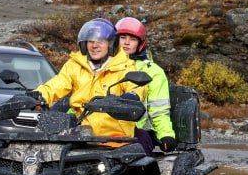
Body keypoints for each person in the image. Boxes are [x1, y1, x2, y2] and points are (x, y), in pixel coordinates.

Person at [31, 18, 145, 142]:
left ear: (111, 44)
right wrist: (38, 95)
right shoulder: (75, 64)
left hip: (114, 137)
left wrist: (130, 98)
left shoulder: (125, 66)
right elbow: (58, 83)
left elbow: (136, 88)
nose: (94, 45)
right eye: (90, 41)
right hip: (80, 134)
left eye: (100, 41)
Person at [115, 17, 177, 154]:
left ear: (140, 43)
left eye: (132, 39)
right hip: (103, 129)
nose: (126, 43)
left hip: (136, 131)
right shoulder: (104, 66)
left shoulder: (153, 72)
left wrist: (166, 135)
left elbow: (159, 110)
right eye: (123, 37)